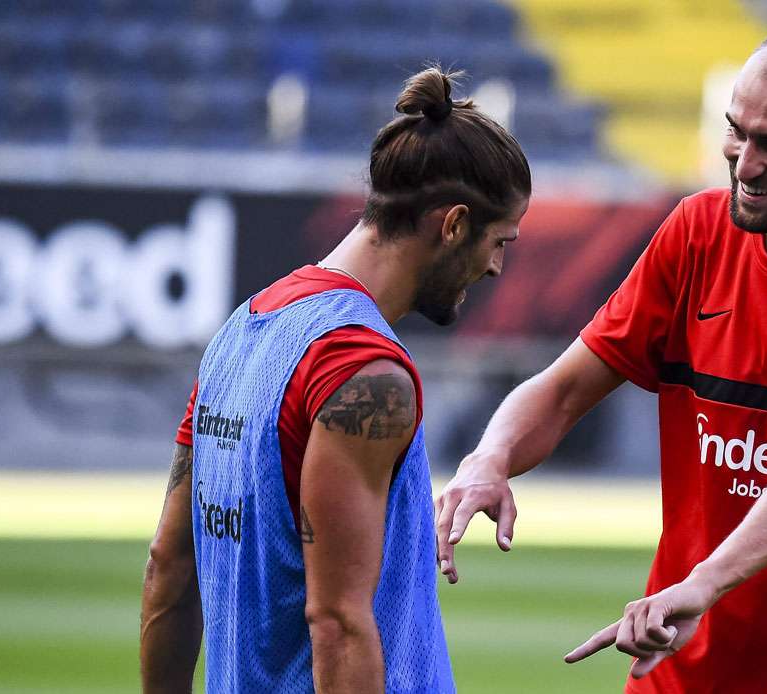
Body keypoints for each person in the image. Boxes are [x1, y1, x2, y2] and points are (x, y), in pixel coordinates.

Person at [435, 23, 767, 693]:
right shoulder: (695, 234)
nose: (745, 161)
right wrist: (489, 459)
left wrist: (704, 582)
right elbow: (565, 387)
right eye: (737, 131)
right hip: (677, 666)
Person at [140, 66, 531, 694]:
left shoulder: (244, 327)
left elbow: (169, 568)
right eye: (499, 241)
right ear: (453, 224)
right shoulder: (366, 373)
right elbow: (339, 624)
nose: (495, 267)